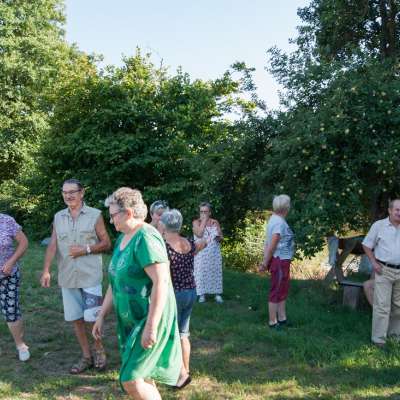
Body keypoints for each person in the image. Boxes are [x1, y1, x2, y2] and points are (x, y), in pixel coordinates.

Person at [92, 187, 182, 400]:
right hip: (131, 320)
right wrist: (102, 315)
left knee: (131, 379)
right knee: (142, 377)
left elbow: (161, 282)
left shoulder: (146, 238)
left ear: (128, 213)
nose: (111, 221)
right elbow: (116, 283)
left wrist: (151, 326)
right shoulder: (124, 238)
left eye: (113, 215)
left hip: (150, 317)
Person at [40, 178, 111, 373]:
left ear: (82, 193)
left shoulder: (95, 215)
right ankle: (86, 356)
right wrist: (46, 270)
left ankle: (99, 351)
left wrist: (86, 249)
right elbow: (53, 244)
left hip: (90, 276)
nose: (68, 195)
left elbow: (106, 243)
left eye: (72, 191)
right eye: (65, 192)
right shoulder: (58, 217)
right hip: (67, 277)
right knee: (76, 319)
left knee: (91, 318)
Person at [159, 209, 207, 385]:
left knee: (171, 335)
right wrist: (205, 242)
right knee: (183, 334)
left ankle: (179, 374)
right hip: (191, 292)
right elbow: (201, 244)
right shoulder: (187, 242)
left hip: (175, 294)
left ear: (163, 225)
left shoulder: (164, 246)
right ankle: (186, 369)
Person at [362, 198, 400, 347]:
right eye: (397, 210)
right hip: (383, 270)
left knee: (398, 306)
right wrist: (373, 262)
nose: (399, 213)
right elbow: (366, 245)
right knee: (382, 306)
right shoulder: (379, 226)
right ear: (390, 211)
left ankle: (395, 337)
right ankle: (378, 340)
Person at [259, 195, 295, 328]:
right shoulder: (279, 223)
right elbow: (272, 244)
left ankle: (282, 318)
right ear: (286, 207)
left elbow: (267, 243)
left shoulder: (275, 219)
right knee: (276, 290)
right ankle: (273, 322)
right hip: (279, 261)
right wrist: (264, 262)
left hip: (282, 261)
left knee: (282, 290)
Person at [0, 214, 29, 361]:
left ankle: (20, 345)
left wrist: (11, 262)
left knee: (11, 311)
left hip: (8, 275)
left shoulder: (6, 220)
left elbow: (23, 243)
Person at [192, 202, 223, 303]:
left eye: (205, 212)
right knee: (201, 272)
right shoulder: (196, 222)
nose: (203, 214)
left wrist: (219, 237)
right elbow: (199, 234)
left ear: (210, 212)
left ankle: (217, 294)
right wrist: (204, 221)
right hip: (201, 253)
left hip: (214, 253)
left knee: (215, 271)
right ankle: (202, 294)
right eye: (201, 211)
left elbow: (221, 236)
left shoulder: (215, 222)